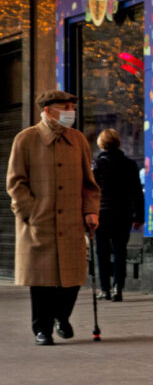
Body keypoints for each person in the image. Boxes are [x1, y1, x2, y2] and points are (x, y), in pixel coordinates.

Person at [6, 90, 100, 345]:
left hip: (71, 221)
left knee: (72, 278)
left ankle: (62, 316)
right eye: (65, 107)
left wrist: (91, 210)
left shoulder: (78, 139)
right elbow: (16, 182)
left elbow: (89, 184)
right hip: (39, 222)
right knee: (42, 281)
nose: (70, 111)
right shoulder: (25, 139)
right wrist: (30, 212)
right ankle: (42, 329)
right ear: (47, 110)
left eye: (72, 107)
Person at [91, 128, 144, 302]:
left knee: (102, 252)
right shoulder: (129, 164)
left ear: (101, 144)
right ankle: (118, 288)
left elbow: (90, 192)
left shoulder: (97, 165)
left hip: (102, 213)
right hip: (123, 213)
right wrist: (139, 216)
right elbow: (137, 191)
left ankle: (105, 288)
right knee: (120, 251)